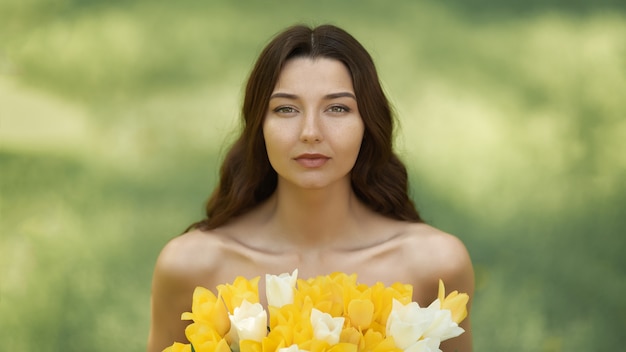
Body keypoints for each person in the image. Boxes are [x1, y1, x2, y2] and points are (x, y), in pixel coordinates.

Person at [147, 24, 474, 352]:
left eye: (337, 108)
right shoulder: (191, 266)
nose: (310, 132)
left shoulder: (435, 264)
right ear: (259, 126)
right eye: (286, 109)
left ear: (368, 125)